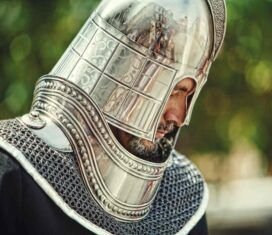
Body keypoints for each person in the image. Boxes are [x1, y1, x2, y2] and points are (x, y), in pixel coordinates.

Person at [0, 0, 226, 234]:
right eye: (172, 91)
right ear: (120, 72)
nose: (178, 116)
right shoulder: (13, 170)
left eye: (188, 95)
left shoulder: (184, 196)